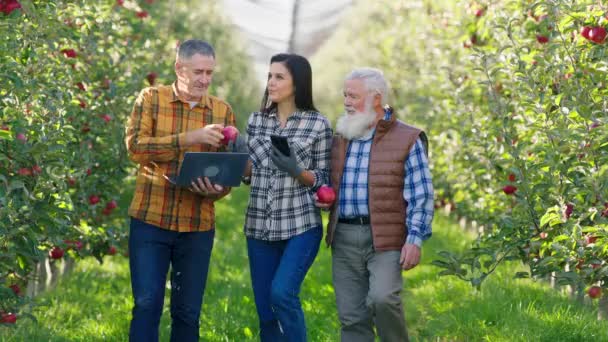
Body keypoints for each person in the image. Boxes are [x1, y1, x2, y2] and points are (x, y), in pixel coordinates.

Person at [125, 39, 237, 342]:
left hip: (196, 225)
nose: (204, 79)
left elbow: (228, 172)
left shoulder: (222, 111)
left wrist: (214, 190)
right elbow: (135, 147)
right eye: (198, 71)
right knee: (147, 304)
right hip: (151, 219)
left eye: (209, 72)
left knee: (188, 312)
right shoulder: (151, 99)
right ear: (179, 68)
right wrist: (188, 139)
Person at [315, 67, 434, 342]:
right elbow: (328, 181)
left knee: (384, 299)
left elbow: (421, 193)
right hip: (344, 236)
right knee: (351, 316)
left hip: (386, 238)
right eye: (345, 95)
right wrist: (322, 197)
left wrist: (414, 239)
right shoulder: (342, 136)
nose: (346, 102)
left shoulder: (407, 138)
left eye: (353, 96)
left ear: (376, 99)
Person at [241, 53, 333, 341]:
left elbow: (324, 180)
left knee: (281, 293)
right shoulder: (256, 120)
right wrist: (234, 153)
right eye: (269, 76)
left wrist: (298, 172)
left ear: (298, 83)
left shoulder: (317, 124)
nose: (271, 82)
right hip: (259, 226)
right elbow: (249, 174)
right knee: (266, 312)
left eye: (279, 76)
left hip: (300, 225)